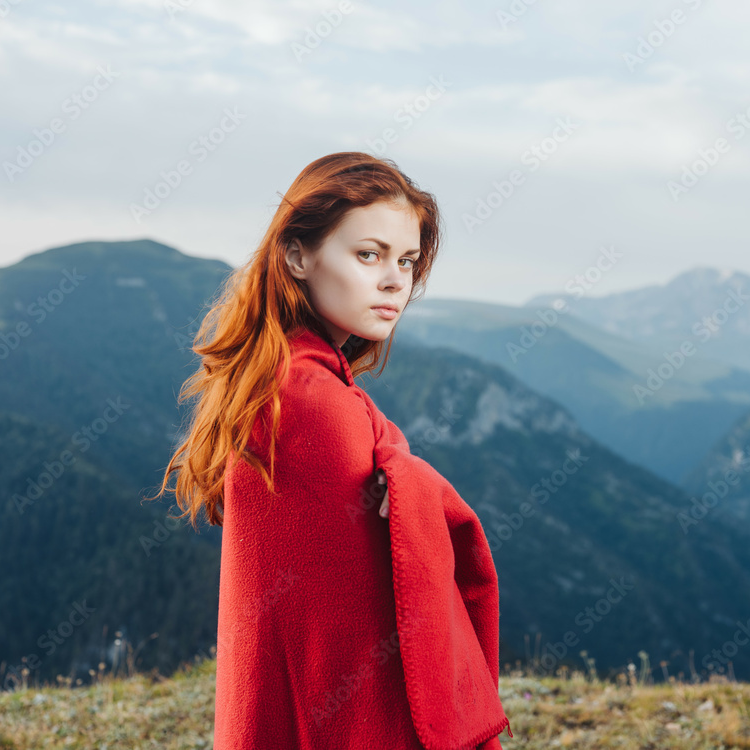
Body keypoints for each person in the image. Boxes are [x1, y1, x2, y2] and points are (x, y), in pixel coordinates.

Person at [150, 152, 512, 748]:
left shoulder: (280, 376)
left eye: (408, 260)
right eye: (369, 254)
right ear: (297, 255)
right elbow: (354, 642)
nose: (396, 279)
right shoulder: (313, 402)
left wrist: (404, 480)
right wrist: (422, 487)